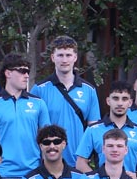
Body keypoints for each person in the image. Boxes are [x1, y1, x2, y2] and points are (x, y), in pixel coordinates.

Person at [0, 54, 51, 179]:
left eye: (27, 71)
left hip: (34, 174)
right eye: (22, 71)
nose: (27, 75)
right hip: (3, 175)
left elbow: (48, 141)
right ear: (8, 73)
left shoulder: (39, 103)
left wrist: (47, 174)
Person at [31, 35, 100, 163]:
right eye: (60, 55)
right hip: (47, 161)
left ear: (75, 57)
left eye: (68, 55)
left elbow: (94, 129)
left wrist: (89, 156)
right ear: (52, 57)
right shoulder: (39, 89)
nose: (64, 60)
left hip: (78, 162)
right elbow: (32, 128)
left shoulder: (89, 90)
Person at [76, 80, 137, 179]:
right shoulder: (93, 129)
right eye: (115, 98)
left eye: (124, 99)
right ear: (108, 101)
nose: (120, 103)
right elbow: (80, 163)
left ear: (130, 102)